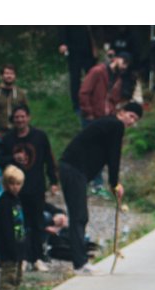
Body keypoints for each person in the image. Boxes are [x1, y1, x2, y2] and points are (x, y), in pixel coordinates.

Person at [58, 101, 142, 275]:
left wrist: (113, 183)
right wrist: (114, 183)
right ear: (122, 112)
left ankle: (80, 262)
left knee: (79, 216)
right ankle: (80, 264)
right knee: (79, 216)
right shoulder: (116, 125)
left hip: (73, 169)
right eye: (131, 116)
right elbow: (114, 156)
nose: (132, 121)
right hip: (74, 169)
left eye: (136, 119)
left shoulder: (109, 124)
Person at [0, 104, 59, 271]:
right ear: (13, 120)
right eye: (16, 117)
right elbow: (0, 159)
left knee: (38, 223)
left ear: (28, 118)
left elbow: (49, 159)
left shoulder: (39, 136)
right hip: (15, 190)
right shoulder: (8, 139)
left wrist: (53, 181)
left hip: (36, 186)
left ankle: (38, 257)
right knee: (19, 224)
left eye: (22, 116)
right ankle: (22, 258)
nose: (20, 120)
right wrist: (13, 157)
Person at [0, 165, 27, 290]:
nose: (15, 187)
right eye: (12, 184)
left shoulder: (17, 200)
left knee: (18, 274)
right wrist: (9, 246)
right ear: (6, 184)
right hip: (8, 246)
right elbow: (5, 227)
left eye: (18, 184)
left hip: (19, 242)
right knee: (9, 273)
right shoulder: (4, 201)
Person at [79, 52, 130, 123]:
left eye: (127, 64)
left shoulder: (118, 80)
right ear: (115, 59)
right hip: (92, 117)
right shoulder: (97, 71)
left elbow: (115, 100)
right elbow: (84, 92)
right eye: (124, 62)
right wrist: (88, 112)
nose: (124, 66)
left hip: (107, 117)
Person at [59, 26, 96, 116]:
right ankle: (77, 105)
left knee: (92, 76)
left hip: (88, 48)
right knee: (75, 78)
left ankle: (93, 101)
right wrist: (63, 43)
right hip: (73, 48)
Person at [0, 64, 29, 138]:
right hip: (0, 132)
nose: (9, 76)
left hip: (16, 132)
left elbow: (26, 113)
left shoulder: (20, 93)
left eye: (11, 73)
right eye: (7, 73)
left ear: (15, 76)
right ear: (1, 76)